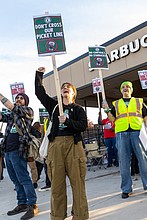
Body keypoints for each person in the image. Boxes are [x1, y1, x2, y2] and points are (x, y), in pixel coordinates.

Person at [35, 67, 89, 220]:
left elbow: (82, 126)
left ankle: (80, 215)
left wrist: (68, 121)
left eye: (68, 88)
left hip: (74, 145)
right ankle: (58, 216)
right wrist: (39, 75)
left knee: (77, 184)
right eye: (63, 87)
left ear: (73, 93)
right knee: (57, 186)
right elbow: (40, 93)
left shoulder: (78, 109)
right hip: (56, 146)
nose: (65, 89)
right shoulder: (54, 106)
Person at [102, 81, 147, 199]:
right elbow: (112, 119)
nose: (125, 89)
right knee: (124, 162)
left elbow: (146, 118)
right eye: (123, 87)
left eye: (128, 87)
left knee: (143, 159)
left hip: (137, 132)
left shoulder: (139, 102)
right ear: (121, 90)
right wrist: (106, 111)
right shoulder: (115, 104)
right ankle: (126, 189)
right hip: (121, 133)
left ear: (131, 90)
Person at [0, 92, 38, 219]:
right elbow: (2, 116)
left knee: (24, 179)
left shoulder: (28, 111)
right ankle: (21, 203)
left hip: (19, 150)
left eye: (21, 98)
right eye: (17, 98)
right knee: (15, 179)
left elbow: (12, 107)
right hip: (8, 151)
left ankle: (32, 205)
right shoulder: (12, 115)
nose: (18, 99)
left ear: (26, 102)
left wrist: (0, 96)